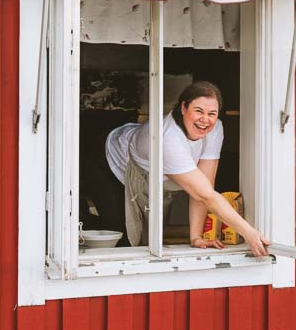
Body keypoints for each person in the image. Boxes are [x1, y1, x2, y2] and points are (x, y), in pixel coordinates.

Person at [104, 80, 270, 257]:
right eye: (198, 111)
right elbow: (205, 195)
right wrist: (250, 233)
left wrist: (196, 237)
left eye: (212, 113)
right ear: (183, 108)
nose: (205, 119)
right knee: (126, 235)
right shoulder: (168, 139)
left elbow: (205, 186)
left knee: (156, 230)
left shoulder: (215, 129)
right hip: (116, 160)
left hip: (161, 173)